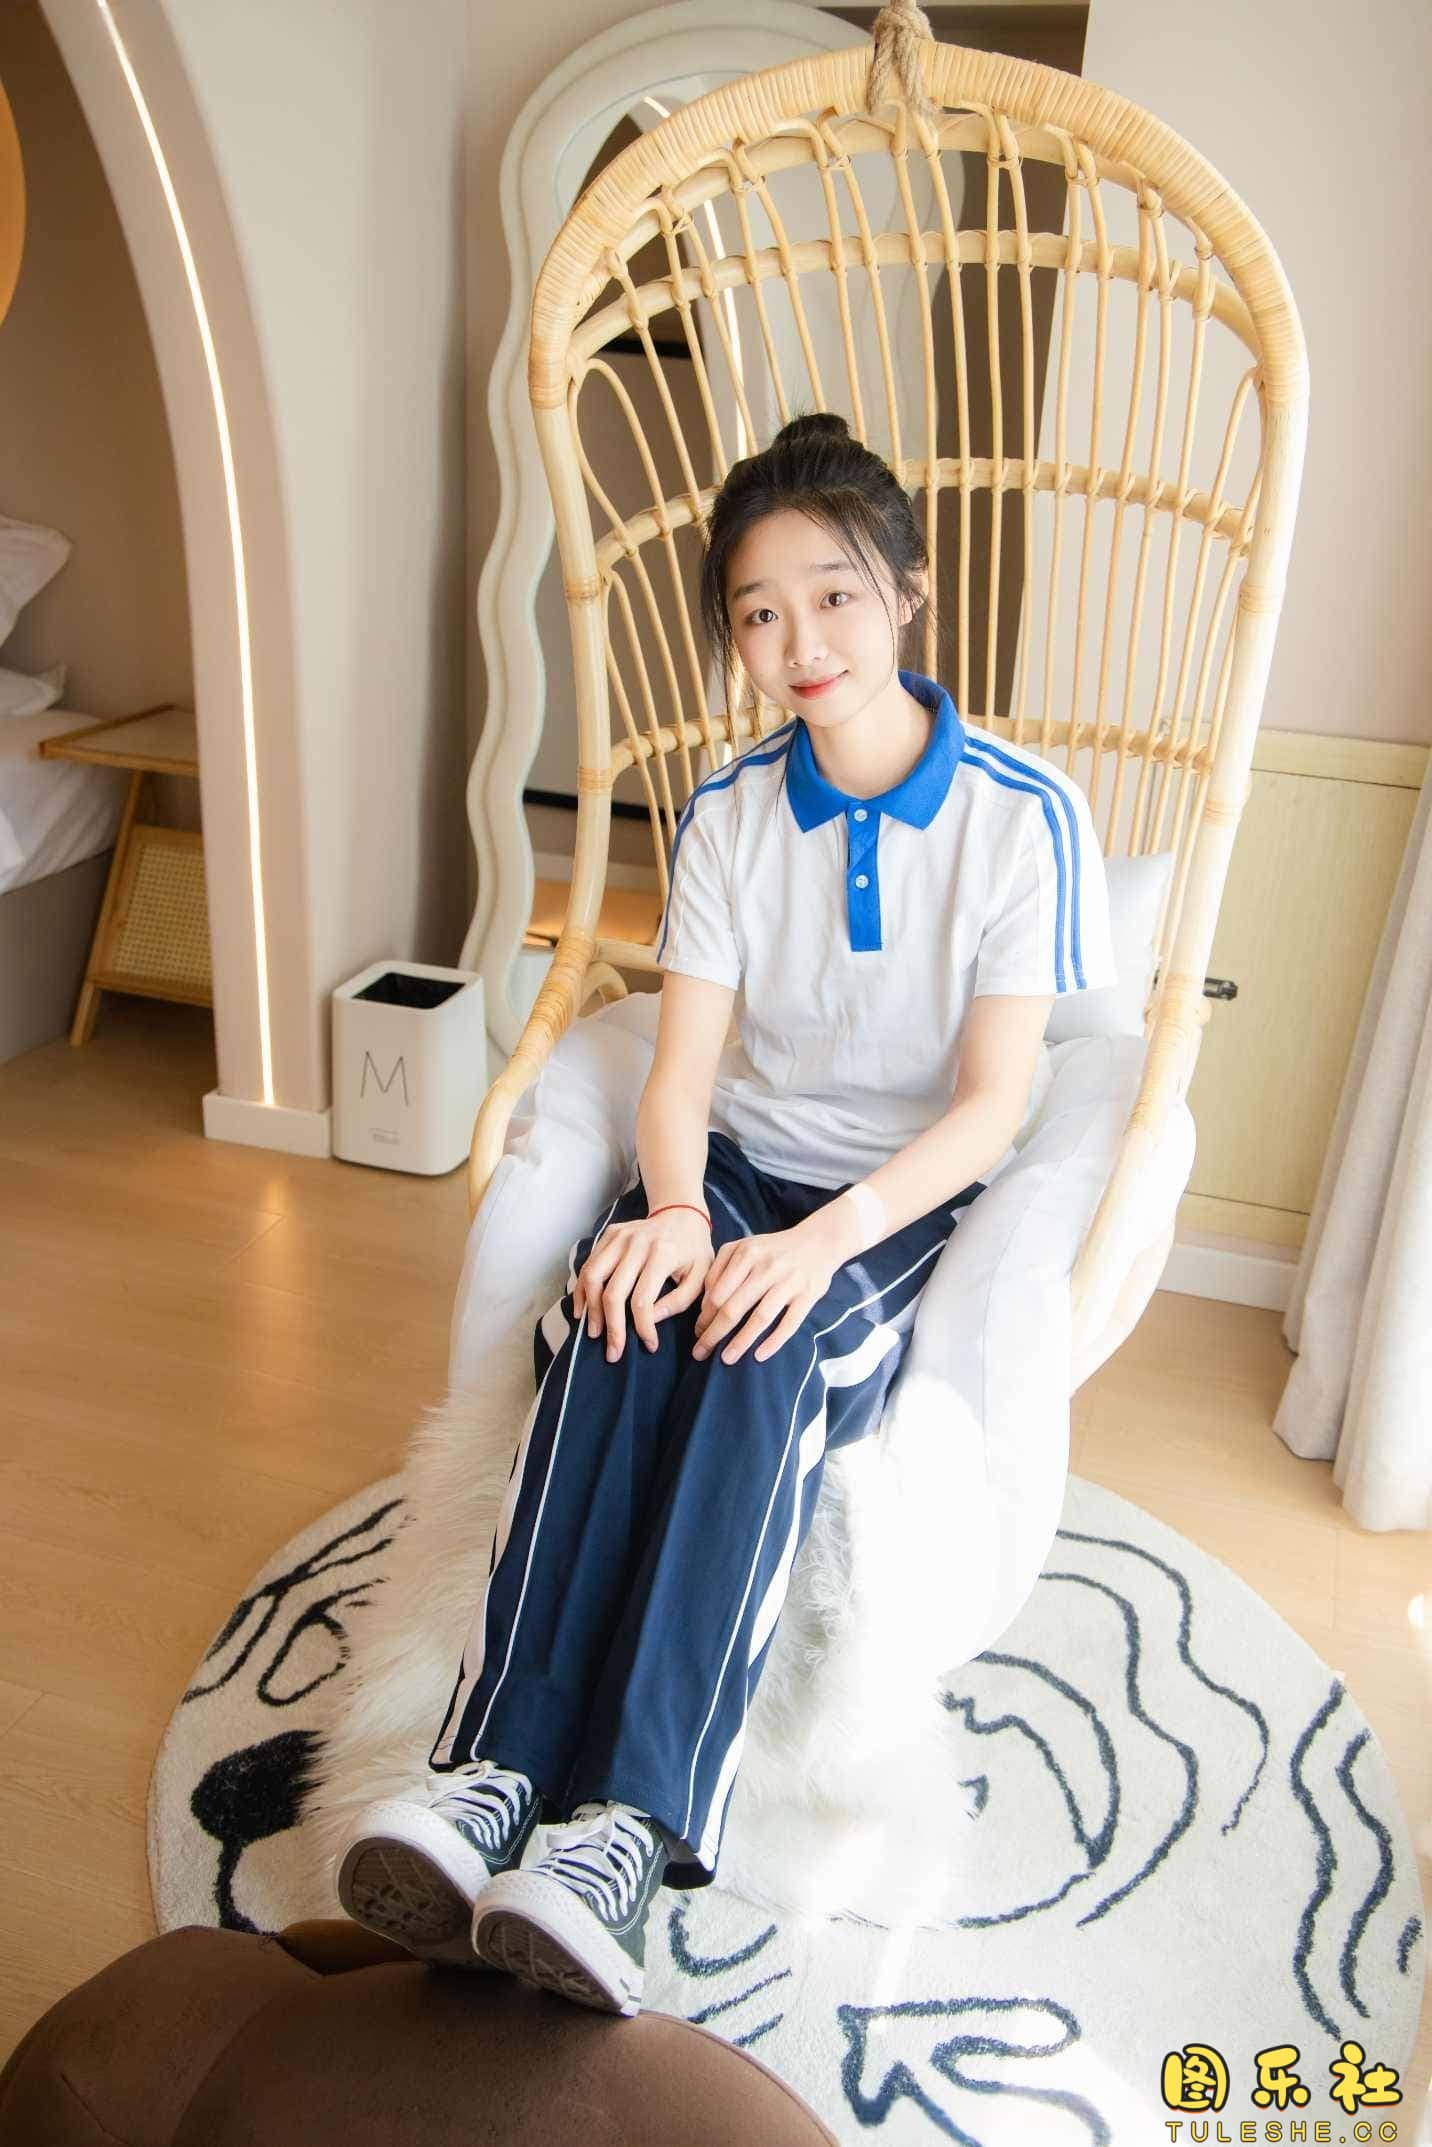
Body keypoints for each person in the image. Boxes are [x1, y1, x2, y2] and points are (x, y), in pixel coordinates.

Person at [335, 410, 1119, 2017]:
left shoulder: (1022, 814)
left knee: (764, 1348)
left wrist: (818, 1246)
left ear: (906, 593)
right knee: (622, 1304)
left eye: (832, 598)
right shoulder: (731, 810)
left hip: (892, 1201)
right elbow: (681, 1070)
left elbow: (992, 1107)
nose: (798, 644)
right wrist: (682, 1210)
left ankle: (627, 1825)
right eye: (758, 614)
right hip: (746, 1156)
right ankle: (490, 1773)